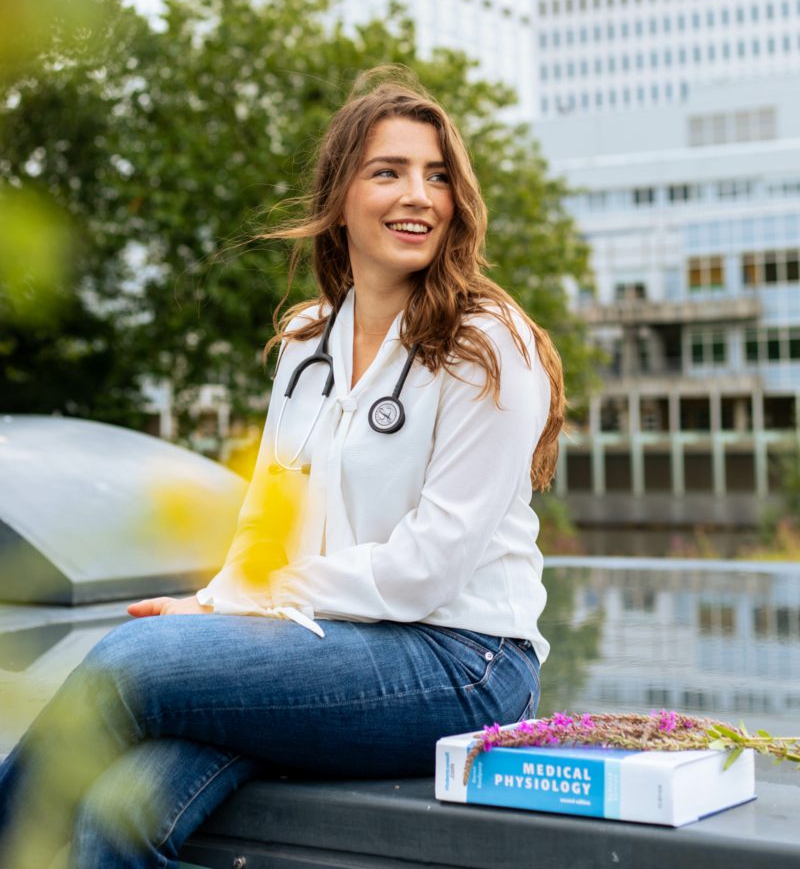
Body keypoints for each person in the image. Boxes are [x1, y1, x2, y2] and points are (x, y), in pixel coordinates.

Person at [0, 72, 564, 869]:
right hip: (324, 646)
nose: (420, 196)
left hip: (461, 662)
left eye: (438, 175)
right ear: (339, 196)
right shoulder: (308, 343)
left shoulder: (487, 342)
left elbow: (423, 573)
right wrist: (211, 604)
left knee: (125, 668)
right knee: (117, 817)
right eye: (389, 171)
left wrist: (239, 608)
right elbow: (270, 523)